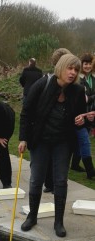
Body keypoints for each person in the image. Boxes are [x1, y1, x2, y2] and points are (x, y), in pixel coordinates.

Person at [18, 54, 87, 237]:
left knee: (60, 181)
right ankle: (32, 217)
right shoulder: (42, 84)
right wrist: (23, 138)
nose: (72, 73)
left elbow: (81, 118)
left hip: (63, 142)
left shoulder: (78, 91)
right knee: (36, 179)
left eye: (76, 70)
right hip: (40, 140)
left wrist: (83, 120)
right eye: (69, 68)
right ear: (61, 67)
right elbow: (26, 112)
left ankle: (58, 222)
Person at [43, 48, 72, 193]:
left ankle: (58, 184)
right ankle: (50, 184)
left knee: (62, 159)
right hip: (49, 126)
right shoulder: (47, 81)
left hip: (65, 128)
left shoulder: (72, 84)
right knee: (49, 158)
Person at [70, 53, 95, 178]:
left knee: (80, 141)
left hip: (91, 114)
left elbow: (88, 98)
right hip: (79, 115)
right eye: (85, 64)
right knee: (84, 141)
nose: (88, 66)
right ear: (82, 64)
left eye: (90, 64)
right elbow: (82, 99)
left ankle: (74, 164)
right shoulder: (78, 79)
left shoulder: (93, 79)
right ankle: (90, 171)